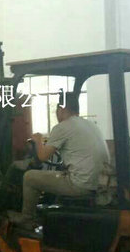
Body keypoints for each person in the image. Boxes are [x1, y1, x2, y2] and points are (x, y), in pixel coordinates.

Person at [9, 93, 109, 228]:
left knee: (29, 177)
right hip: (99, 183)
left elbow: (42, 157)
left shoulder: (63, 127)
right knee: (57, 173)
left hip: (80, 184)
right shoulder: (90, 125)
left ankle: (27, 219)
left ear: (61, 109)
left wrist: (38, 140)